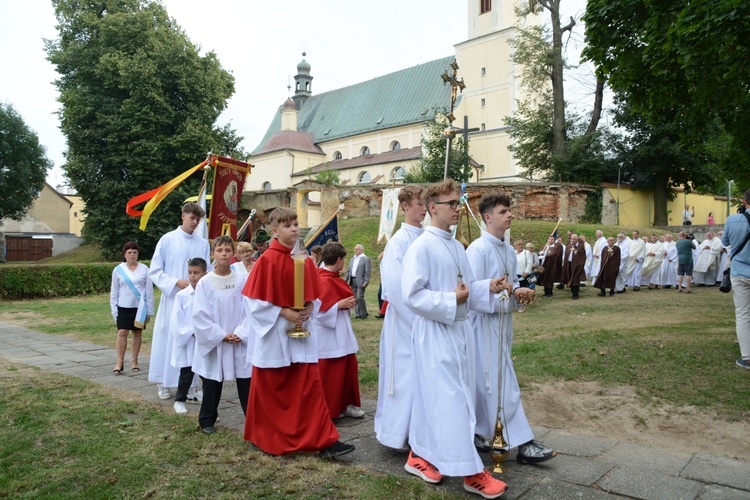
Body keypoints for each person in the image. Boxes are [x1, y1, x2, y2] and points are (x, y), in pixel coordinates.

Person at [401, 180, 508, 498]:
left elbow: (467, 287)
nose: (457, 208)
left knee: (439, 398)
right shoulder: (421, 247)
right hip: (436, 332)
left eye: (457, 202)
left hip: (458, 332)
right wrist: (451, 299)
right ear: (433, 208)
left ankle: (419, 454)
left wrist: (487, 287)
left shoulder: (456, 245)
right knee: (450, 400)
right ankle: (470, 472)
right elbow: (412, 296)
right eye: (451, 203)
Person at [242, 207, 354, 458]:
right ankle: (265, 436)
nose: (293, 228)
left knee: (309, 387)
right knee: (272, 390)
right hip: (275, 336)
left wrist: (310, 307)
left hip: (300, 336)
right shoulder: (267, 260)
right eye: (287, 225)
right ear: (275, 230)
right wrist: (284, 312)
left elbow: (315, 293)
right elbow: (253, 303)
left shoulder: (302, 258)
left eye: (295, 223)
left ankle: (324, 440)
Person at [467, 192, 556, 470]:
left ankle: (481, 433)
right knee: (503, 385)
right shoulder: (477, 250)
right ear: (488, 217)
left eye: (509, 211)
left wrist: (519, 291)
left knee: (489, 384)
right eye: (504, 212)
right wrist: (503, 295)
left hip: (502, 325)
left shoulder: (507, 250)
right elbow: (470, 293)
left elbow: (512, 283)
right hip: (481, 328)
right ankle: (524, 443)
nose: (509, 216)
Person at [375, 184, 426, 451]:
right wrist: (420, 320)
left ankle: (421, 430)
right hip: (406, 322)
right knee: (404, 376)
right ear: (405, 206)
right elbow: (394, 288)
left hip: (428, 319)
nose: (423, 208)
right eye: (419, 203)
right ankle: (398, 433)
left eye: (425, 203)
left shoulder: (429, 237)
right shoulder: (398, 242)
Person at [148, 202, 212, 400]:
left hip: (194, 301)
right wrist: (176, 281)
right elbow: (155, 270)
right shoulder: (167, 240)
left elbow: (207, 270)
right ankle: (164, 381)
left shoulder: (202, 243)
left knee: (192, 341)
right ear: (183, 216)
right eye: (192, 218)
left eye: (198, 219)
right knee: (169, 338)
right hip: (173, 299)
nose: (194, 222)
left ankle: (191, 386)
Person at [192, 236, 252, 434]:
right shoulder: (205, 283)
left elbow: (250, 310)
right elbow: (200, 315)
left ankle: (253, 420)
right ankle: (207, 420)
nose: (224, 254)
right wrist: (221, 335)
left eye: (228, 250)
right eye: (220, 250)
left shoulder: (243, 279)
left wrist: (240, 333)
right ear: (213, 254)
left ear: (234, 253)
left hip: (239, 339)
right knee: (212, 381)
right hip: (218, 340)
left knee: (246, 381)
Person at [315, 241, 365, 419]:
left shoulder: (334, 278)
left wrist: (347, 303)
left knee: (348, 368)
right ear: (338, 260)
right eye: (343, 259)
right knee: (332, 374)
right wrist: (339, 305)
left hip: (342, 330)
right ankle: (332, 408)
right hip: (329, 335)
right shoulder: (322, 280)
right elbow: (317, 312)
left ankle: (347, 404)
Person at [170, 257, 208, 415]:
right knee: (186, 372)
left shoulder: (208, 293)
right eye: (190, 273)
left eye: (196, 273)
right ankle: (180, 400)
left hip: (205, 339)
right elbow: (177, 319)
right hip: (190, 339)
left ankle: (208, 406)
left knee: (207, 375)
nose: (192, 276)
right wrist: (190, 331)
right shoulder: (182, 295)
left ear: (204, 273)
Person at [109, 241, 154, 374]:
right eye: (129, 252)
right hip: (123, 306)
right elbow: (114, 291)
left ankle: (134, 360)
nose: (132, 255)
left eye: (135, 252)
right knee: (122, 332)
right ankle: (119, 361)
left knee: (137, 333)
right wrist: (114, 309)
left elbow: (149, 291)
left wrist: (149, 310)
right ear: (125, 254)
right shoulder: (118, 270)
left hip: (139, 308)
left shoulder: (145, 269)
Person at [721, 189, 750, 369]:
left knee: (743, 314)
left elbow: (725, 241)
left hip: (740, 271)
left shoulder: (733, 220)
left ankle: (747, 356)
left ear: (744, 201)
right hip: (740, 271)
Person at [344, 243, 371, 319]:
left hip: (361, 281)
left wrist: (366, 282)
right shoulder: (352, 259)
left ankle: (364, 313)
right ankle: (358, 313)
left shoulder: (365, 259)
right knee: (355, 297)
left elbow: (367, 272)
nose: (355, 250)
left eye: (357, 249)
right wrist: (345, 280)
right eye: (355, 249)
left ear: (362, 250)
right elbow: (349, 270)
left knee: (360, 297)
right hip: (353, 280)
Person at [561, 234, 587, 300]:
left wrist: (580, 265)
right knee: (570, 277)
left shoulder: (580, 246)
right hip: (569, 264)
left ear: (577, 239)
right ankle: (572, 290)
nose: (572, 240)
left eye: (574, 239)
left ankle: (575, 294)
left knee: (575, 278)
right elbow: (566, 254)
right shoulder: (569, 246)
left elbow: (583, 256)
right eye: (571, 239)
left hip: (576, 265)